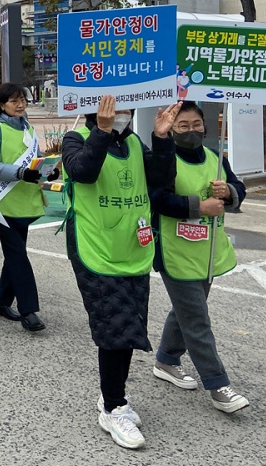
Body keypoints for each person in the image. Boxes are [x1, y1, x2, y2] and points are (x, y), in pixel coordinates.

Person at [61, 94, 180, 450]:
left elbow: (162, 179)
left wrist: (162, 139)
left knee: (129, 325)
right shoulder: (76, 138)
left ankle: (113, 395)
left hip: (132, 247)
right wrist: (101, 131)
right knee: (116, 327)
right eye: (114, 107)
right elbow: (83, 172)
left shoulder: (133, 142)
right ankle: (113, 408)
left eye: (126, 107)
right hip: (95, 248)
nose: (121, 114)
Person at [150, 101, 249, 413]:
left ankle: (166, 359)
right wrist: (198, 206)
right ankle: (218, 384)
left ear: (205, 127)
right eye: (183, 126)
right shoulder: (163, 159)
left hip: (207, 252)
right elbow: (158, 199)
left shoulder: (215, 158)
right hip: (175, 252)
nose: (191, 131)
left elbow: (239, 188)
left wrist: (229, 192)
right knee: (196, 318)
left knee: (187, 311)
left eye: (196, 125)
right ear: (172, 129)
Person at [0, 83, 49, 332]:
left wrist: (47, 170)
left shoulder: (27, 127)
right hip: (3, 204)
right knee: (18, 257)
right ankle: (29, 311)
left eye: (23, 100)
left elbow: (36, 158)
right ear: (1, 105)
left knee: (14, 256)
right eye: (14, 101)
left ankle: (1, 303)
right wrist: (20, 173)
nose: (21, 105)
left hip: (25, 202)